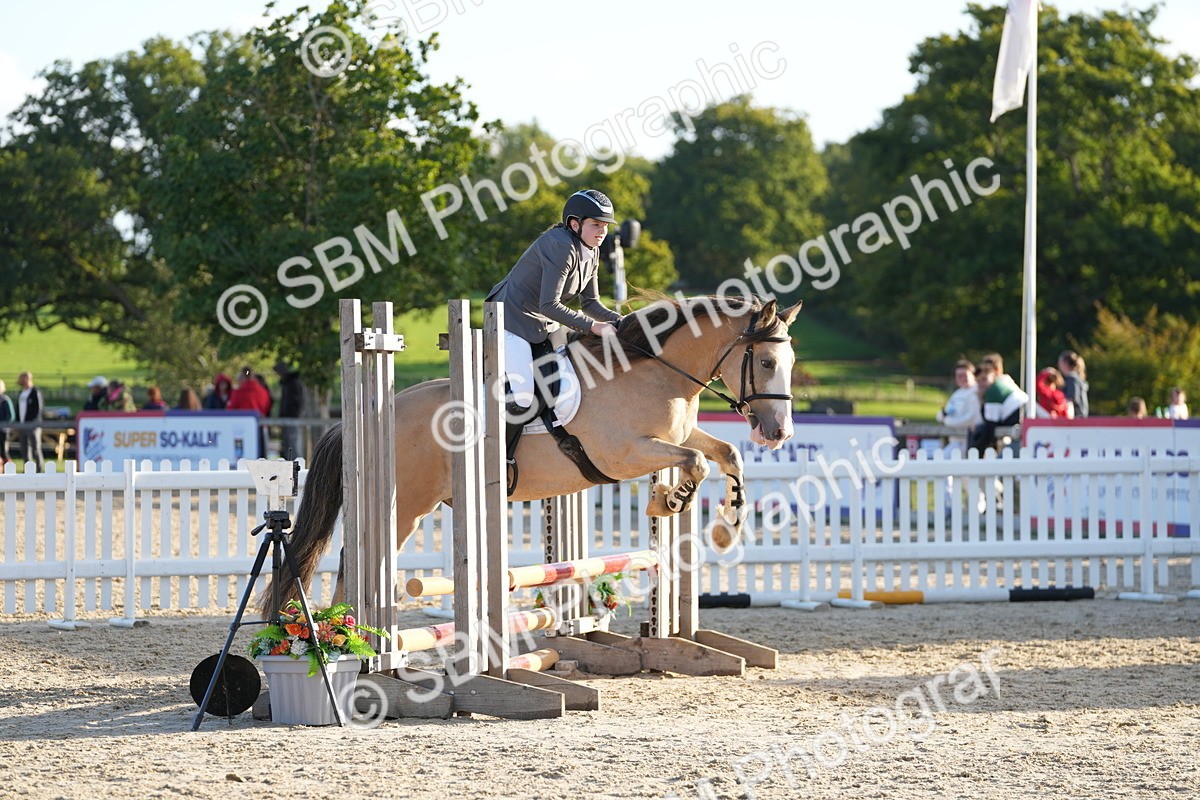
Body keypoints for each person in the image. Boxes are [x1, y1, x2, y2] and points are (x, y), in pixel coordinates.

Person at [484, 189, 624, 480]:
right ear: (575, 224)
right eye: (596, 224)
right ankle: (498, 461)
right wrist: (591, 327)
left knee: (563, 383)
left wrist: (624, 322)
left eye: (605, 226)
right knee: (523, 396)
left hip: (543, 323)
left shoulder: (591, 250)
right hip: (510, 319)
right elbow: (550, 303)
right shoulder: (559, 245)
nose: (602, 231)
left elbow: (591, 303)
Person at [936, 359, 982, 510]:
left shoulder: (975, 392)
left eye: (964, 374)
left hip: (969, 441)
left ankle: (978, 506)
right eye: (958, 375)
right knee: (947, 468)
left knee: (968, 475)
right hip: (956, 440)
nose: (961, 378)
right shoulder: (957, 394)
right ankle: (950, 503)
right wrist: (945, 417)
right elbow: (941, 414)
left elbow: (971, 418)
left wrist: (949, 421)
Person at [968, 355, 1028, 454]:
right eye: (978, 381)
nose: (981, 384)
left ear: (993, 376)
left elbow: (991, 424)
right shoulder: (1001, 385)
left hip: (1020, 417)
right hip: (1022, 415)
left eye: (984, 379)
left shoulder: (993, 391)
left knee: (980, 431)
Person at [227, 367, 272, 457]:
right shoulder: (262, 391)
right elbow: (267, 406)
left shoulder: (239, 392)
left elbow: (230, 409)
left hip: (242, 430)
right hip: (261, 426)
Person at [274, 361, 306, 460]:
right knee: (287, 443)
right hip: (288, 417)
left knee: (292, 443)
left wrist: (292, 414)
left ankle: (296, 464)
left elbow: (295, 402)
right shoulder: (287, 384)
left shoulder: (293, 384)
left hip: (292, 417)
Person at [16, 371, 45, 471]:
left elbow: (38, 409)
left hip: (33, 425)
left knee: (35, 448)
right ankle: (28, 469)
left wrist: (33, 422)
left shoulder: (35, 392)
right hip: (22, 425)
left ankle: (39, 468)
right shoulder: (21, 393)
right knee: (24, 449)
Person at [1058, 350, 1089, 419]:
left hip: (1076, 418)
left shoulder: (1072, 378)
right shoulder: (1076, 378)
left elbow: (1071, 398)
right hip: (1081, 417)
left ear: (1065, 363)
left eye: (1060, 362)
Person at [0, 379, 14, 466]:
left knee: (3, 451)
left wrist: (3, 424)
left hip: (3, 430)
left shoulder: (5, 400)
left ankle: (8, 467)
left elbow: (11, 416)